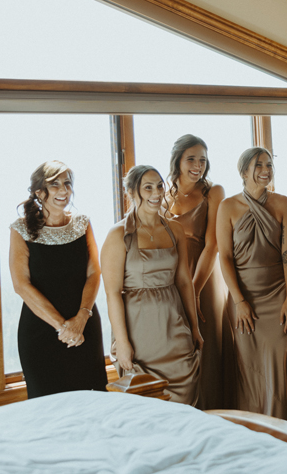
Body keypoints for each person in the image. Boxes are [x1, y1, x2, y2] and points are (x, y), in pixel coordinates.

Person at [100, 165, 201, 405]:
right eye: (148, 187)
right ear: (131, 193)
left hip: (175, 330)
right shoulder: (118, 235)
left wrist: (194, 327)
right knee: (146, 406)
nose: (156, 193)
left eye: (159, 186)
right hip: (139, 335)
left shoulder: (175, 230)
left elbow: (184, 282)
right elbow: (112, 293)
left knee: (186, 403)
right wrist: (122, 343)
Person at [8, 161, 107, 398]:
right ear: (39, 192)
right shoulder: (20, 229)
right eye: (55, 185)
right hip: (41, 333)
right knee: (48, 406)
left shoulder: (82, 223)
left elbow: (94, 273)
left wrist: (81, 319)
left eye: (67, 184)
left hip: (85, 326)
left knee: (93, 401)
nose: (64, 190)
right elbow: (21, 285)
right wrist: (63, 327)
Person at [217, 147, 287, 421]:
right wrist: (239, 301)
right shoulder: (227, 207)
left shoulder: (283, 203)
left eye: (269, 165)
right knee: (248, 369)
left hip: (277, 295)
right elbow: (225, 257)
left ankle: (281, 429)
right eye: (259, 165)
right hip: (243, 297)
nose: (266, 170)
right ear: (243, 172)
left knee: (277, 366)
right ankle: (251, 429)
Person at [165, 135, 225, 409]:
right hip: (172, 281)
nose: (198, 165)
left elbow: (213, 245)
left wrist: (195, 291)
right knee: (179, 347)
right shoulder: (163, 195)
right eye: (191, 159)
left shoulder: (213, 192)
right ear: (177, 160)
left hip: (203, 279)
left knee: (206, 347)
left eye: (202, 160)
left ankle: (213, 413)